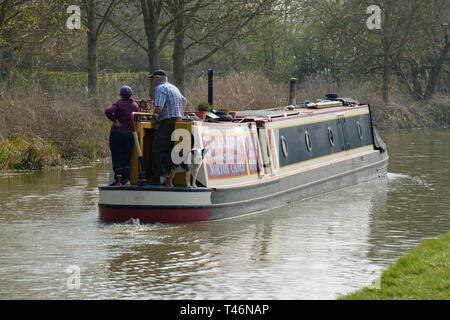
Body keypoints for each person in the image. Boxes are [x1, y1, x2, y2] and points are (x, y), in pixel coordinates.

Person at [149, 69, 186, 185]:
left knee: (156, 150)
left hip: (167, 122)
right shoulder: (174, 88)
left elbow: (159, 108)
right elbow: (184, 100)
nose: (152, 81)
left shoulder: (160, 88)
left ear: (157, 79)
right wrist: (180, 113)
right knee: (169, 150)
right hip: (177, 121)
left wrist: (154, 119)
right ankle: (168, 176)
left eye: (153, 79)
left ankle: (158, 178)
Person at [104, 85, 139, 185]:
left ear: (120, 94)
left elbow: (108, 111)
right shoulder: (135, 105)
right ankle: (126, 179)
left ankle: (119, 179)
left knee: (117, 156)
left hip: (117, 134)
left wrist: (115, 120)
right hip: (130, 135)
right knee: (127, 157)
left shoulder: (118, 103)